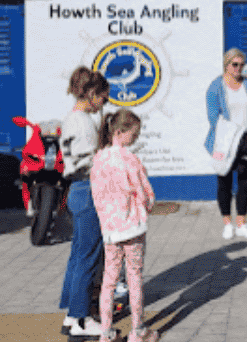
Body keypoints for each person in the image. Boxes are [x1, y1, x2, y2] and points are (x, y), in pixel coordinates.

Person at [91, 110, 158, 342]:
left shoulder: (98, 159)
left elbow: (96, 196)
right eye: (134, 133)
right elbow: (145, 192)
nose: (136, 138)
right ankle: (138, 331)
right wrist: (146, 207)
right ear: (120, 132)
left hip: (110, 230)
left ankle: (106, 333)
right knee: (134, 278)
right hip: (133, 228)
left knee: (108, 282)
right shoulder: (129, 159)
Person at [59, 67, 110, 338]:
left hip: (76, 189)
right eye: (103, 97)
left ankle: (71, 314)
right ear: (91, 94)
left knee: (79, 254)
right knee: (89, 257)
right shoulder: (84, 123)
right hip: (88, 189)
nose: (105, 103)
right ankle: (81, 318)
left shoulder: (71, 119)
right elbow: (92, 162)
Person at [204, 48, 247, 241]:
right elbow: (212, 116)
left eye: (242, 65)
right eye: (235, 64)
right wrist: (230, 134)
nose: (239, 68)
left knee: (245, 182)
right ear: (227, 64)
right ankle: (227, 223)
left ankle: (241, 223)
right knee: (224, 182)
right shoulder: (216, 86)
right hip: (224, 142)